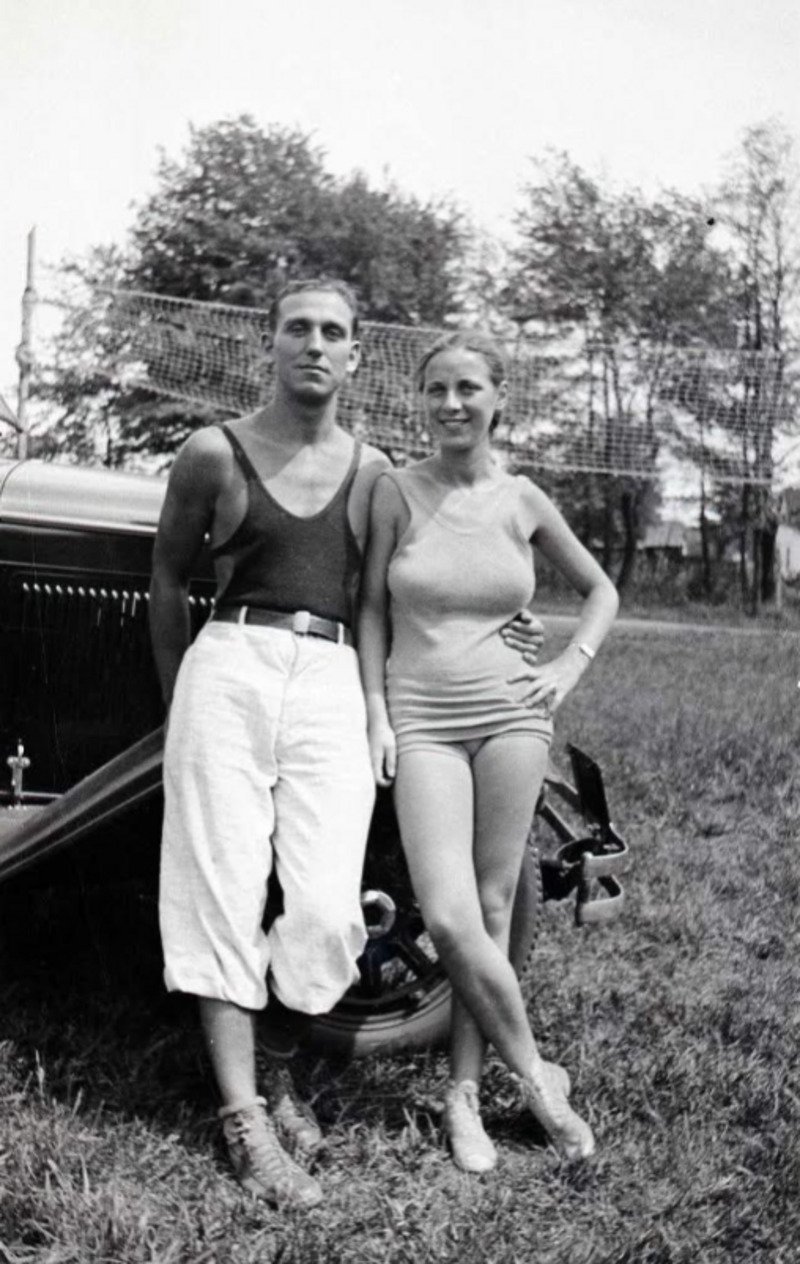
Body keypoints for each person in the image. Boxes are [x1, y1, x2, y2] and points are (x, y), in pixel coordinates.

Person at [149, 284, 545, 1208]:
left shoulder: (377, 472)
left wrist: (513, 627)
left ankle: (282, 1057)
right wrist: (180, 702)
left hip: (332, 677)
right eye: (298, 329)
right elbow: (168, 580)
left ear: (357, 356)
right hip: (232, 666)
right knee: (220, 886)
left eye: (334, 333)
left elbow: (429, 569)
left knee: (329, 908)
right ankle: (246, 1115)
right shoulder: (214, 451)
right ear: (270, 343)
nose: (315, 346)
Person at [358, 330, 619, 1174]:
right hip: (423, 718)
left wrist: (567, 667)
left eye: (468, 388)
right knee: (447, 916)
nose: (451, 405)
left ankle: (463, 1095)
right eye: (436, 389)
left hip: (511, 716)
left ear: (499, 397)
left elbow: (600, 591)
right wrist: (375, 710)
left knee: (495, 904)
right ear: (421, 400)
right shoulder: (396, 490)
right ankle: (541, 1078)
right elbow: (369, 610)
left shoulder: (522, 500)